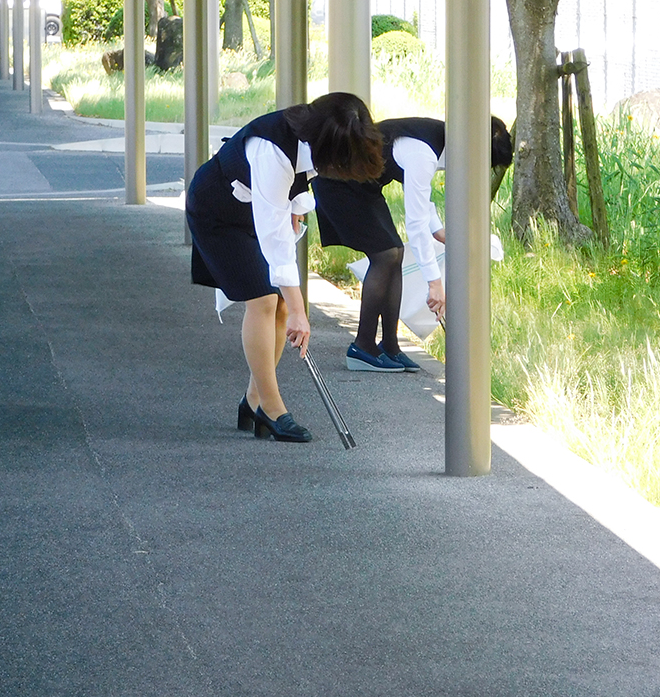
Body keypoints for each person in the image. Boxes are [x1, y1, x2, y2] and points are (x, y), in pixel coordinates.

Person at [186, 92, 384, 442]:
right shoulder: (272, 150)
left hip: (253, 208)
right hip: (216, 212)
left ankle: (253, 400)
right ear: (322, 139)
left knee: (277, 304)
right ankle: (272, 409)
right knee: (264, 300)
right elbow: (274, 238)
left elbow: (297, 186)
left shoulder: (312, 137)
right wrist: (299, 311)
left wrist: (296, 206)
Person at [311, 116, 512, 371]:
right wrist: (435, 283)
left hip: (363, 186)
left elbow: (418, 190)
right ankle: (362, 348)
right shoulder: (424, 152)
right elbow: (415, 223)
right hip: (338, 183)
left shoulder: (439, 139)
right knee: (385, 255)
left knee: (395, 252)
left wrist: (438, 231)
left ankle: (390, 346)